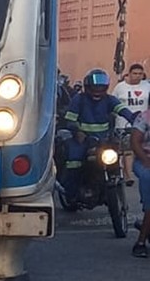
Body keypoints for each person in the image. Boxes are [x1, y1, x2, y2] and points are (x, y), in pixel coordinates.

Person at [61, 68, 137, 206]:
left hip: (104, 140)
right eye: (95, 87)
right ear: (87, 86)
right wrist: (77, 131)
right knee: (74, 161)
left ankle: (109, 186)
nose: (98, 90)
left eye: (101, 87)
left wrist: (136, 120)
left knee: (114, 159)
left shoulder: (109, 100)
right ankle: (71, 193)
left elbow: (124, 111)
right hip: (83, 140)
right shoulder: (79, 99)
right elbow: (70, 120)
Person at [111, 63, 150, 184]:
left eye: (140, 74)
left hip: (143, 122)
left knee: (135, 148)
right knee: (127, 149)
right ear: (129, 73)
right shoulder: (120, 87)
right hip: (123, 123)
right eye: (135, 73)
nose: (137, 76)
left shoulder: (147, 86)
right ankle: (128, 175)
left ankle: (129, 174)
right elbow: (114, 103)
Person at [128, 110, 150, 258]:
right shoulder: (145, 117)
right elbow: (135, 142)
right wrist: (147, 162)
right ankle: (140, 242)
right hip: (145, 160)